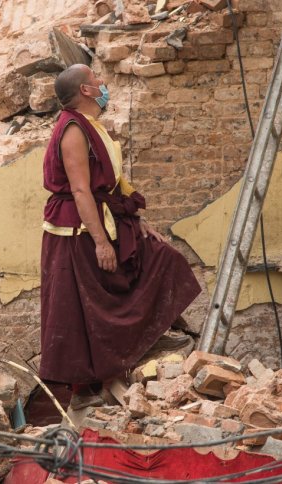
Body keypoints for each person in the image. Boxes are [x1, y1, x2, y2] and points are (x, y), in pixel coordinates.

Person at [39, 64, 201, 410]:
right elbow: (81, 190)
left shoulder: (91, 125)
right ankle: (91, 385)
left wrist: (134, 221)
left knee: (161, 256)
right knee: (85, 307)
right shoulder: (71, 130)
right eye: (96, 79)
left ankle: (147, 339)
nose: (102, 83)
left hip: (104, 216)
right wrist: (100, 241)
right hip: (77, 231)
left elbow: (108, 186)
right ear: (84, 90)